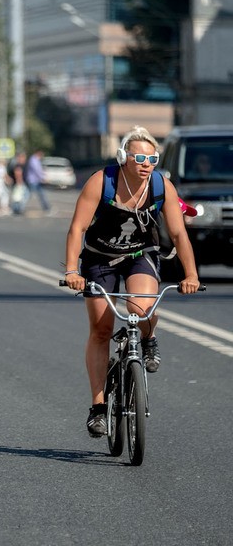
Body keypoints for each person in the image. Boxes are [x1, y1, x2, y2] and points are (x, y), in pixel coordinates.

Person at [63, 126, 200, 438]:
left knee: (144, 307)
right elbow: (77, 228)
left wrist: (190, 275)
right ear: (124, 157)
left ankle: (148, 340)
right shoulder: (102, 182)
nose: (146, 163)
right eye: (139, 157)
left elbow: (179, 234)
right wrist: (72, 270)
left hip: (141, 254)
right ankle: (98, 408)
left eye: (152, 157)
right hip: (100, 257)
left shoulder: (160, 186)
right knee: (101, 330)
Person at [24, 149, 51, 213]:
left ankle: (46, 207)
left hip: (36, 181)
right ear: (39, 153)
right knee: (27, 195)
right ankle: (19, 207)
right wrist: (43, 178)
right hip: (33, 181)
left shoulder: (36, 160)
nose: (42, 156)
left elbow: (39, 170)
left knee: (41, 194)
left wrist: (43, 176)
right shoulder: (33, 160)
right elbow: (37, 171)